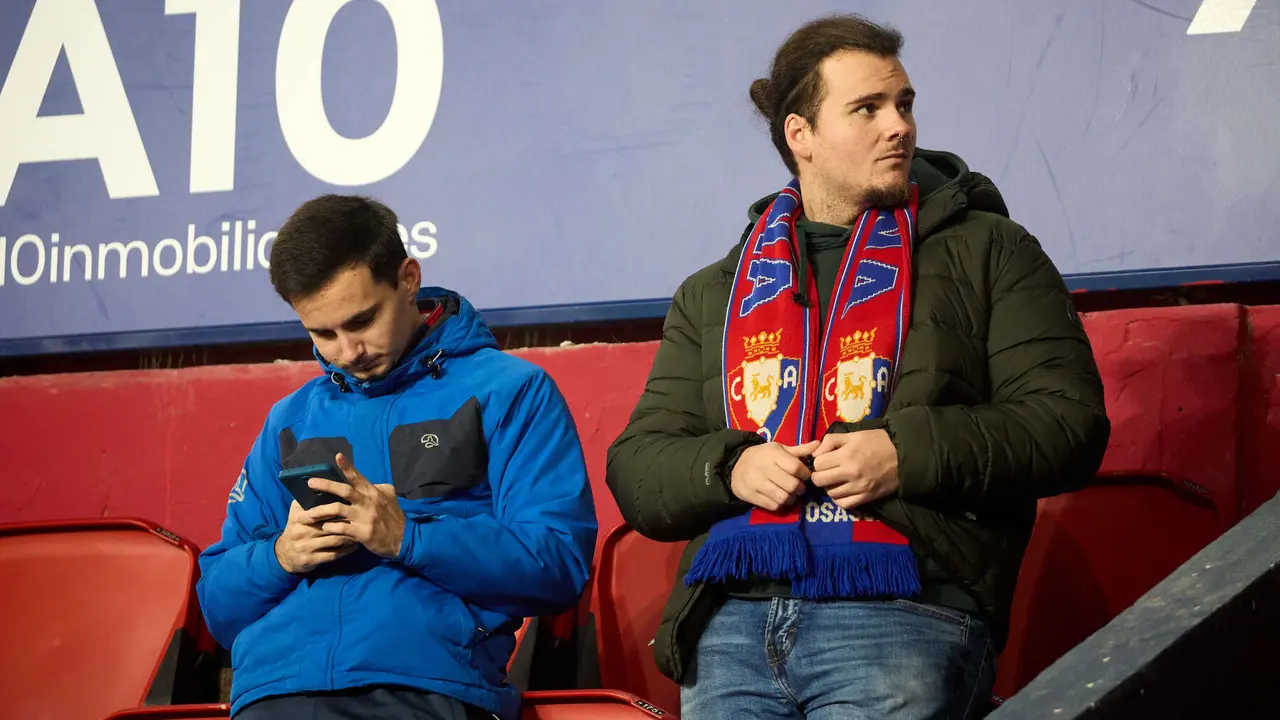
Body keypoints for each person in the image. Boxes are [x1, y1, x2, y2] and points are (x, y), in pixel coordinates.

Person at [606, 14, 1110, 720]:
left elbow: (1067, 425)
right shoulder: (718, 289)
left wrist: (904, 453)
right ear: (800, 136)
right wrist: (730, 469)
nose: (898, 126)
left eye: (903, 104)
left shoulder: (990, 249)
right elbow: (638, 464)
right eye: (867, 109)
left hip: (902, 613)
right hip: (734, 630)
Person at [197, 195, 597, 720]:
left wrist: (408, 537)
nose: (347, 351)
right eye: (322, 333)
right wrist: (281, 556)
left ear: (408, 278)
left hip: (427, 690)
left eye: (362, 321)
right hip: (272, 694)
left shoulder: (510, 390)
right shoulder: (289, 419)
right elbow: (219, 606)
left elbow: (558, 565)